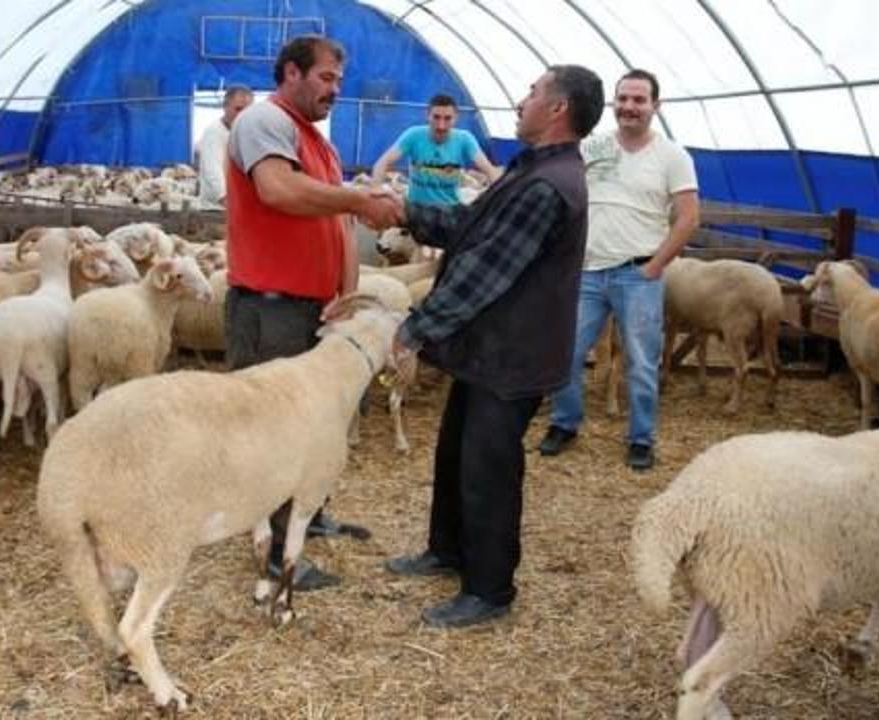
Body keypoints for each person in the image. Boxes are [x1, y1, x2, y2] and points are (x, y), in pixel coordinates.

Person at [383, 65, 606, 628]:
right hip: (490, 350)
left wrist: (415, 327)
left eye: (533, 92)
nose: (521, 99)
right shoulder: (530, 169)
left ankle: (489, 588)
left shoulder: (549, 186)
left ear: (557, 110)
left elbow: (484, 269)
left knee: (490, 467)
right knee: (457, 449)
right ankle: (447, 549)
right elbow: (469, 226)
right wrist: (405, 212)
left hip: (514, 355)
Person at [224, 34, 402, 591]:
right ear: (292, 73)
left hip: (315, 308)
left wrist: (346, 294)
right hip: (270, 307)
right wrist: (354, 197)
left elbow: (337, 225)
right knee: (277, 430)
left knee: (317, 428)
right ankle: (277, 552)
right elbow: (277, 191)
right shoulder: (262, 122)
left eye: (339, 81)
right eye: (326, 78)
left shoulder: (317, 143)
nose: (335, 90)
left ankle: (310, 515)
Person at [538, 68, 700, 471]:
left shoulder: (673, 157)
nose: (629, 107)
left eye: (639, 100)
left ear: (655, 107)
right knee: (567, 353)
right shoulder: (592, 148)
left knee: (641, 361)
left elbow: (688, 218)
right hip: (588, 272)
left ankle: (641, 438)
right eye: (623, 99)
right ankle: (564, 422)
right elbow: (566, 193)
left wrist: (656, 266)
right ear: (614, 103)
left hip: (637, 273)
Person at [370, 94, 501, 205]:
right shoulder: (413, 135)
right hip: (417, 209)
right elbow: (383, 162)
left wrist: (499, 198)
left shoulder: (465, 139)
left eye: (447, 118)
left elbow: (490, 170)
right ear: (428, 115)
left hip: (449, 212)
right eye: (436, 117)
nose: (441, 125)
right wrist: (376, 189)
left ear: (456, 118)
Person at [195, 85, 254, 206]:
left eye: (248, 110)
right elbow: (212, 169)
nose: (243, 114)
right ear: (225, 107)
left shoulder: (246, 132)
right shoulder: (214, 132)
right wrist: (226, 198)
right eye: (238, 109)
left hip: (239, 203)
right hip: (216, 208)